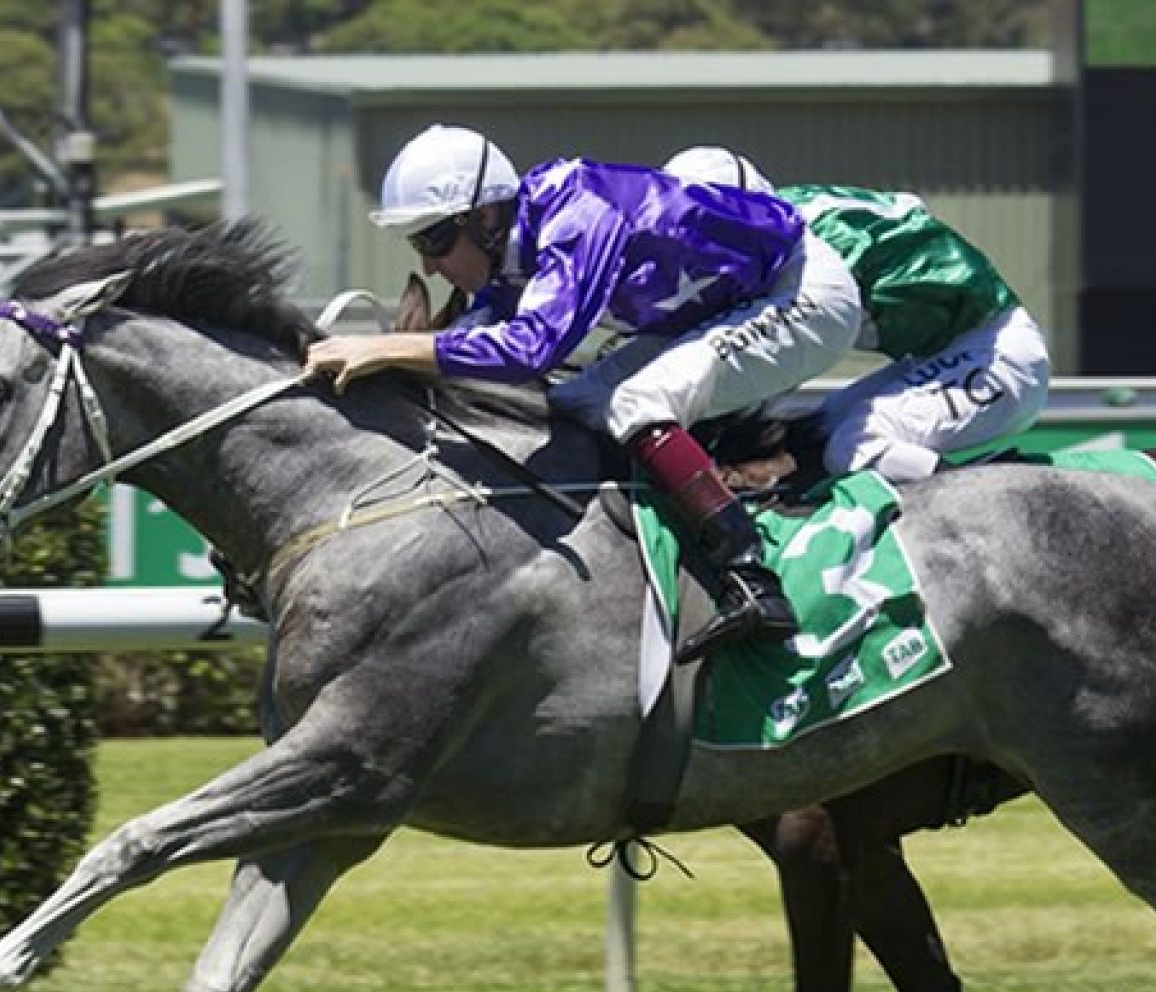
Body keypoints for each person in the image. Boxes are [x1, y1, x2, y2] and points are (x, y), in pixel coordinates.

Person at [305, 125, 863, 662]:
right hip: (723, 306)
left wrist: (382, 350)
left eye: (435, 238)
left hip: (800, 292)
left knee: (638, 404)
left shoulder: (579, 214)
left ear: (484, 217)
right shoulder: (512, 243)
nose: (428, 263)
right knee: (572, 404)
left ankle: (750, 576)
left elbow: (530, 349)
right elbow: (470, 345)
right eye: (419, 242)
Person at [663, 147, 1050, 483]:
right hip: (949, 352)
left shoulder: (810, 253)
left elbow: (763, 362)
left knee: (854, 445)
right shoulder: (797, 216)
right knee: (812, 435)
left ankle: (1003, 502)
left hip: (999, 357)